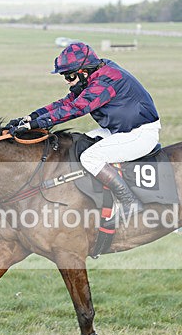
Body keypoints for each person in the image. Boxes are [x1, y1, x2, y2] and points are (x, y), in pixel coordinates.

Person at [8, 42, 160, 217]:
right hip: (119, 130)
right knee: (77, 144)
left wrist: (37, 125)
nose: (67, 81)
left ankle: (129, 201)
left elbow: (77, 108)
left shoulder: (106, 80)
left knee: (89, 157)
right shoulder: (95, 74)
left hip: (139, 134)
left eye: (69, 76)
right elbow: (66, 102)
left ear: (83, 71)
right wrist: (32, 117)